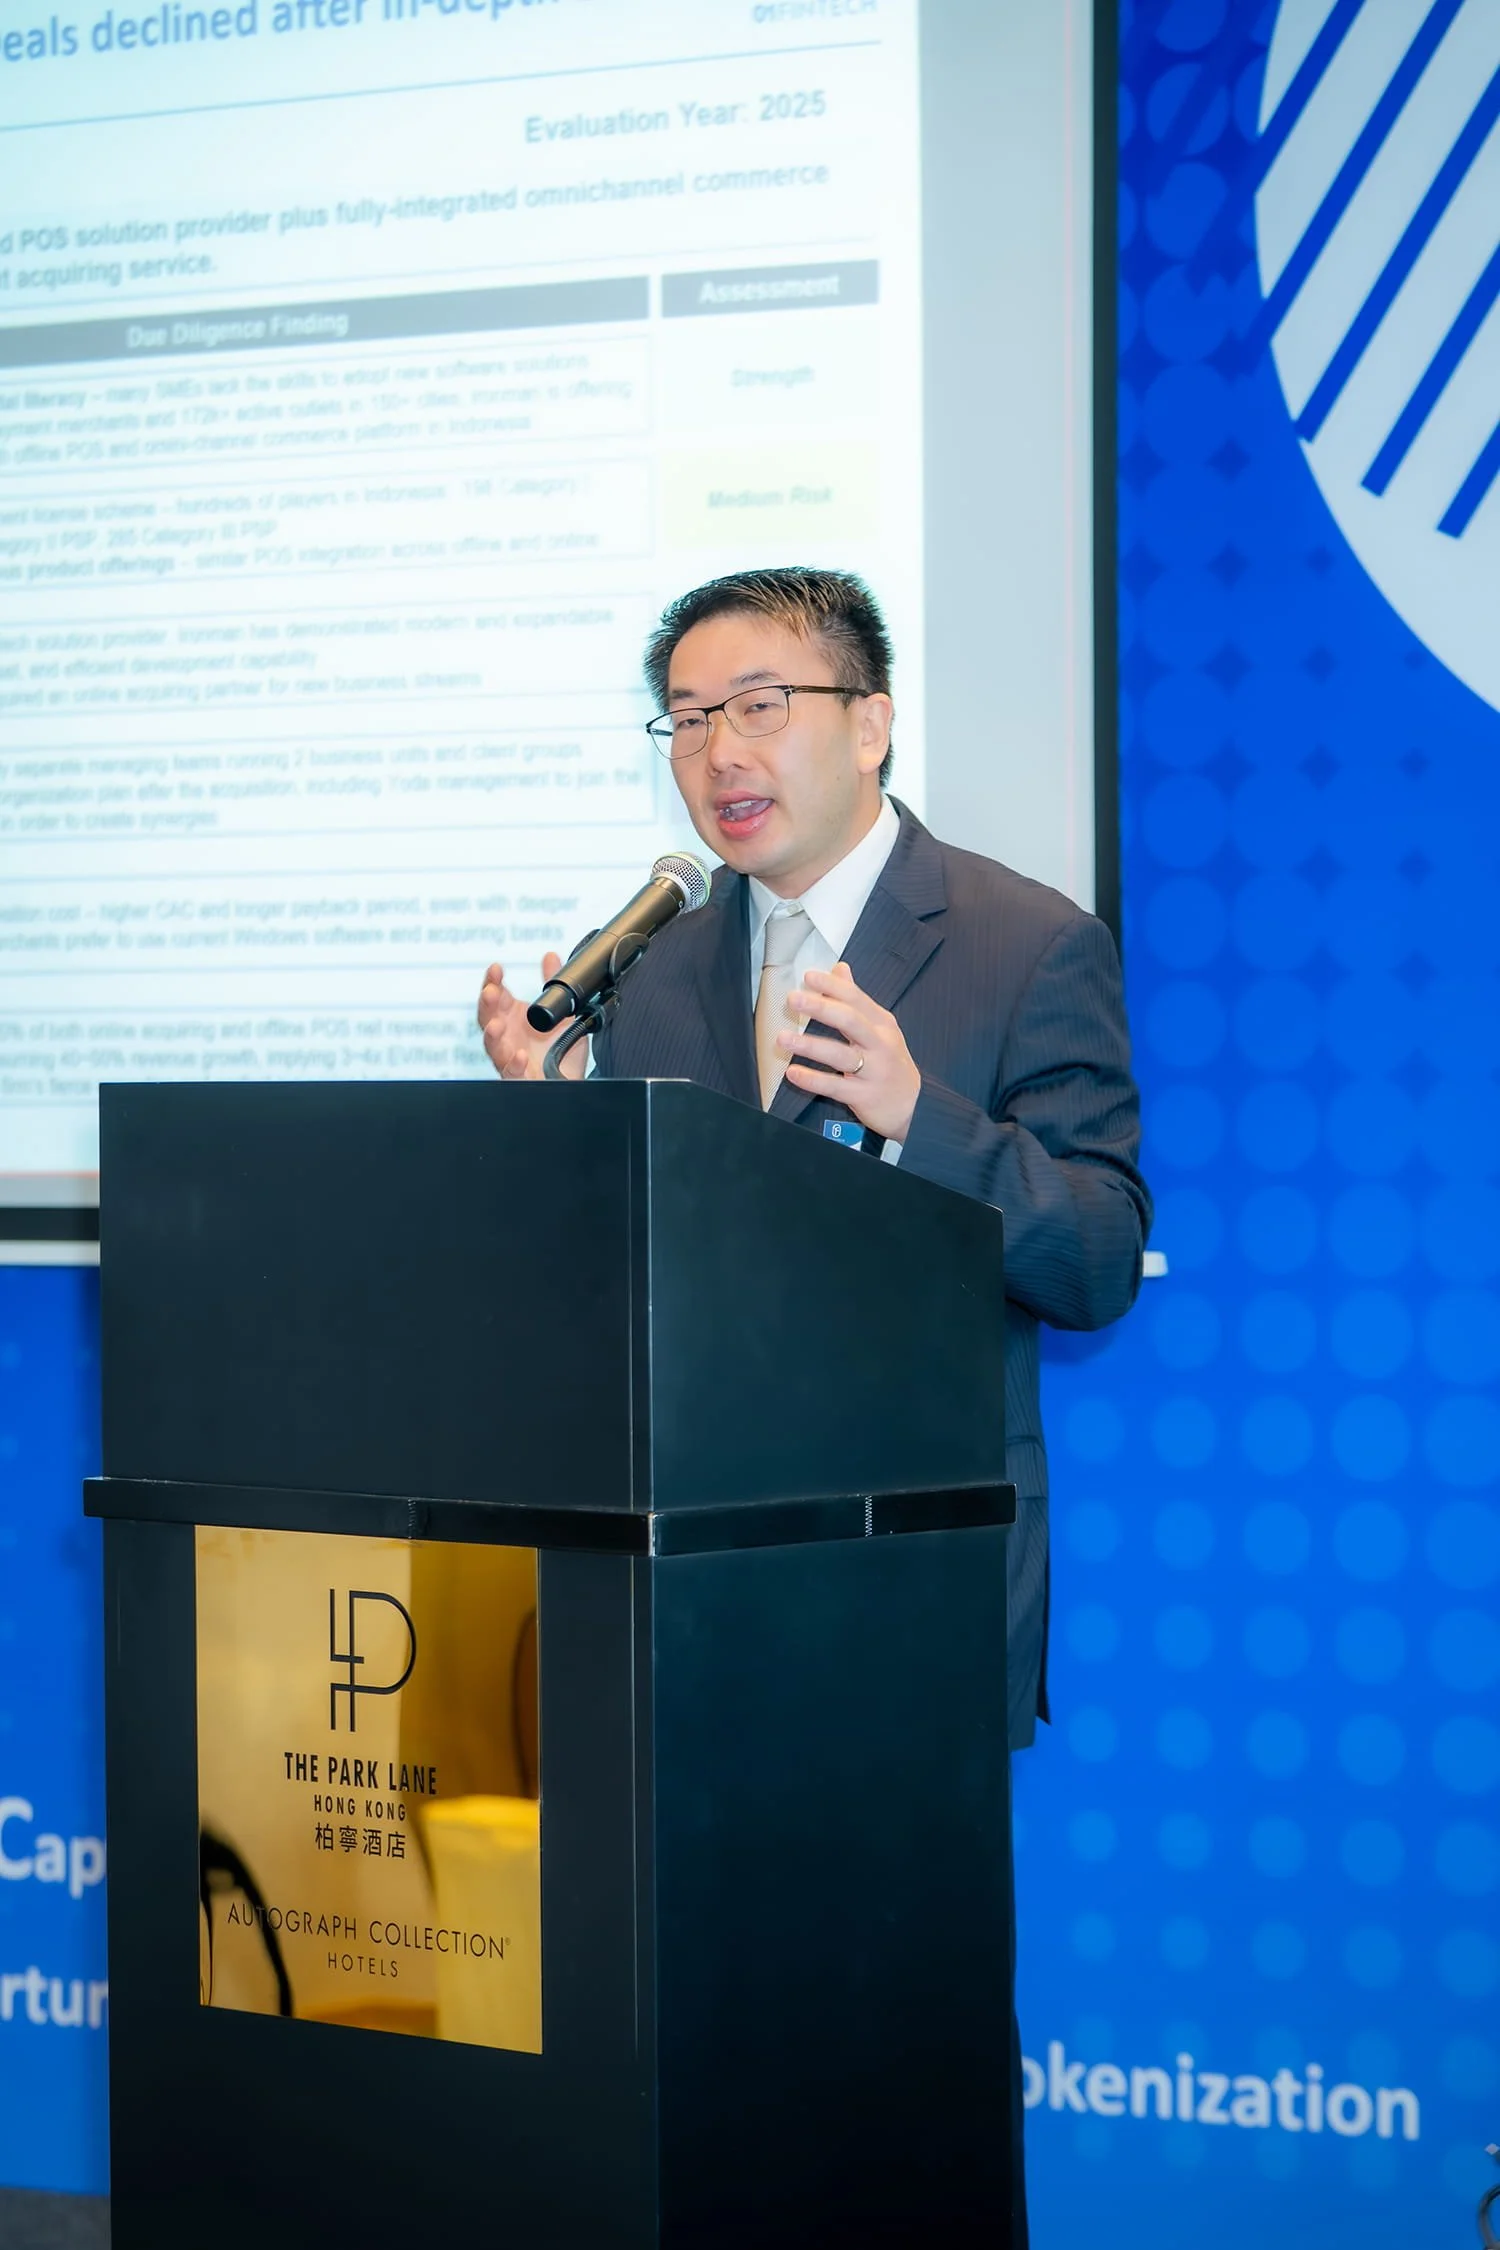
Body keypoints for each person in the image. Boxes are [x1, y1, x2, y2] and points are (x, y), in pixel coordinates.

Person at [477, 566, 1151, 2238]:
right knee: (702, 2061)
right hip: (676, 1611)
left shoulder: (1022, 941)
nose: (720, 750)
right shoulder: (659, 967)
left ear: (872, 721)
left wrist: (928, 1118)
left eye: (762, 704)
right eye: (688, 718)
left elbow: (1097, 1257)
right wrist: (556, 1131)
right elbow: (654, 1269)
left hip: (902, 1609)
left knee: (897, 2058)